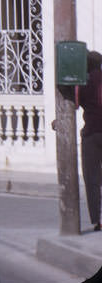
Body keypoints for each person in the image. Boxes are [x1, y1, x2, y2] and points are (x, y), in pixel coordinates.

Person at [78, 51, 102, 232]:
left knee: (91, 178)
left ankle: (97, 220)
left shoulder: (83, 82)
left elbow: (74, 104)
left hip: (92, 133)